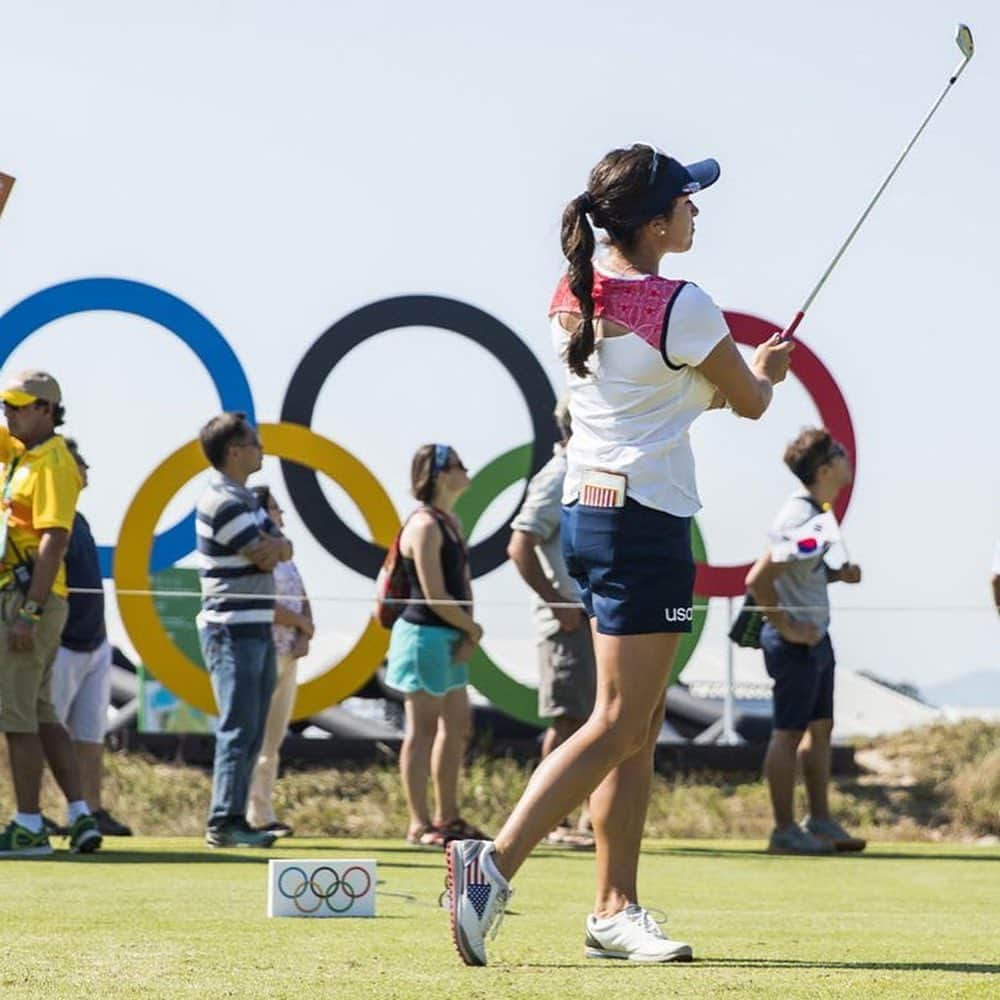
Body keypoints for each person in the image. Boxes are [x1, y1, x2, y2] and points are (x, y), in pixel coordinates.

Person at [445, 143, 792, 965]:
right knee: (616, 724)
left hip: (591, 514)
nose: (697, 212)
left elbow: (649, 393)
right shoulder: (687, 304)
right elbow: (748, 403)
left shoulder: (573, 288)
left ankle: (614, 909)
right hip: (645, 521)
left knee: (633, 728)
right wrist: (764, 371)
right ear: (655, 220)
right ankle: (490, 865)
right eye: (687, 201)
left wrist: (705, 387)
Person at [745, 427, 866, 855]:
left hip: (816, 639)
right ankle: (783, 829)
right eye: (837, 452)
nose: (845, 456)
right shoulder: (799, 518)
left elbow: (800, 570)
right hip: (795, 642)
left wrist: (836, 575)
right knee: (788, 733)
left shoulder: (816, 514)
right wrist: (787, 628)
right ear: (823, 468)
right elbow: (759, 580)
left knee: (820, 728)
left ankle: (818, 819)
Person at [0, 370, 102, 856]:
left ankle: (28, 826)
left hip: (28, 599)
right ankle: (80, 815)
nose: (10, 413)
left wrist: (31, 612)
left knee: (16, 717)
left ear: (47, 409)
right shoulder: (24, 452)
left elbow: (54, 538)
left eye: (19, 406)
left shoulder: (53, 461)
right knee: (41, 715)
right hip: (25, 597)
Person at [196, 412, 291, 849]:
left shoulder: (247, 499)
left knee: (253, 728)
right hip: (232, 630)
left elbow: (282, 545)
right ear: (233, 451)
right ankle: (224, 821)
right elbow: (267, 554)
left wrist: (274, 546)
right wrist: (273, 547)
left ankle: (236, 818)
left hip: (254, 627)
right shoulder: (223, 500)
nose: (260, 447)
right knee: (238, 726)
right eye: (253, 442)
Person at [385, 443, 487, 848]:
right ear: (442, 474)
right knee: (422, 730)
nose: (467, 471)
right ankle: (419, 822)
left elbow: (459, 588)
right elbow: (433, 594)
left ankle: (447, 817)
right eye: (460, 465)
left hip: (448, 636)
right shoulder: (424, 526)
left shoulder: (450, 522)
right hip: (423, 637)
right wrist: (472, 630)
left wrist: (465, 632)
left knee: (457, 728)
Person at [507, 397, 595, 849]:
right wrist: (558, 603)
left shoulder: (580, 471)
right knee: (569, 721)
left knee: (592, 723)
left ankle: (584, 821)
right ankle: (552, 824)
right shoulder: (558, 475)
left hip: (588, 619)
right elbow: (520, 545)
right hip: (567, 624)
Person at [47, 438, 132, 836]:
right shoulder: (47, 518)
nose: (86, 471)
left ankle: (90, 810)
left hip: (94, 643)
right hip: (60, 644)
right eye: (80, 463)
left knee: (89, 734)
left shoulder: (78, 518)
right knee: (40, 731)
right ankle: (28, 811)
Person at [246, 485, 314, 837]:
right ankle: (245, 813)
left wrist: (305, 632)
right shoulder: (255, 553)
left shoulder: (286, 556)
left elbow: (301, 597)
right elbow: (265, 604)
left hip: (289, 654)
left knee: (272, 739)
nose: (281, 516)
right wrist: (301, 623)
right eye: (275, 508)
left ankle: (263, 812)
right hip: (263, 651)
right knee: (254, 736)